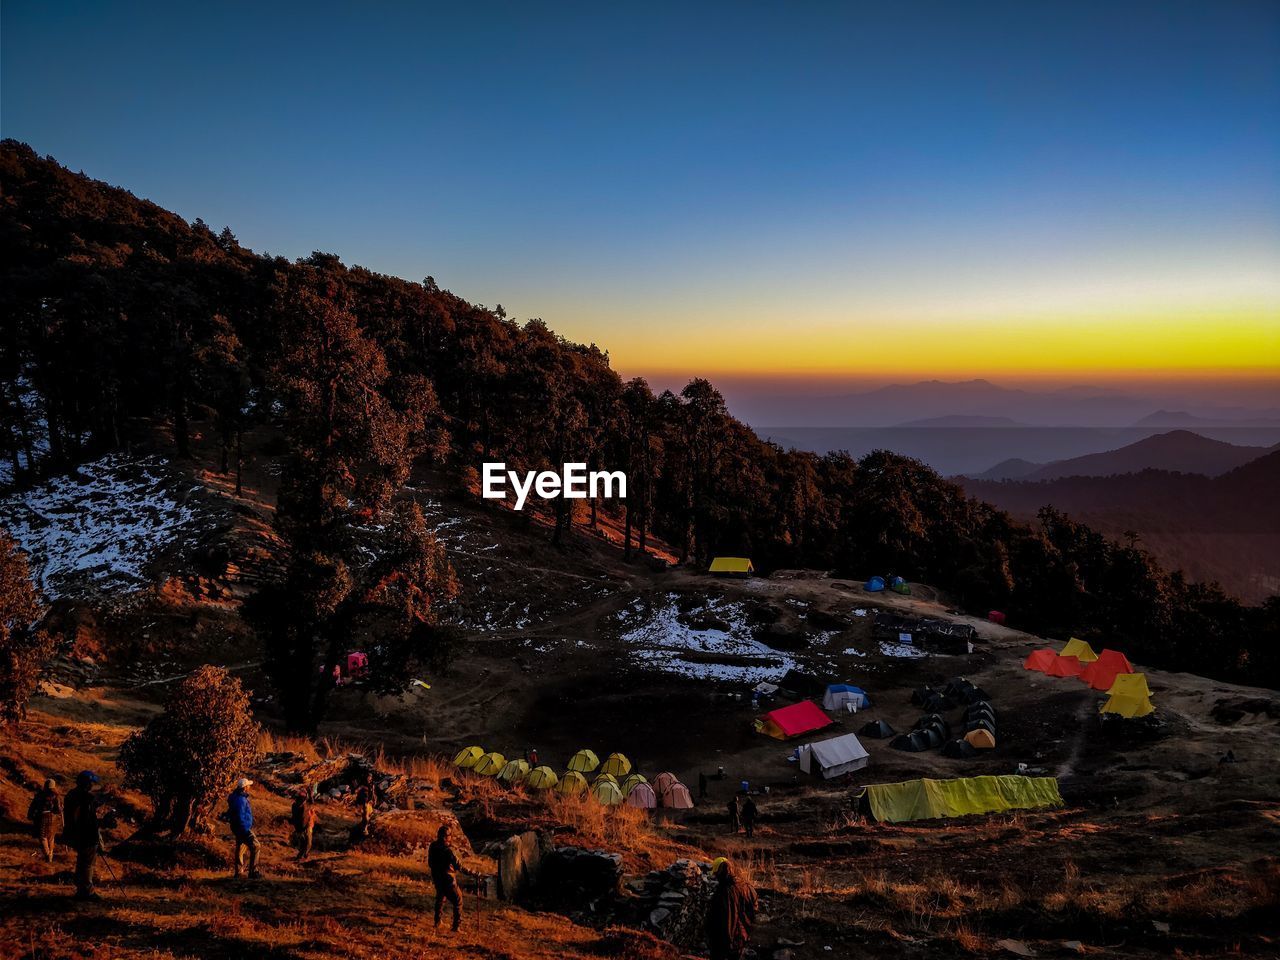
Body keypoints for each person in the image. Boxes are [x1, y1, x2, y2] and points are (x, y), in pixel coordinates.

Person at [707, 858, 758, 960]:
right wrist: (747, 925)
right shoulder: (745, 885)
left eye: (716, 874)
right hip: (742, 937)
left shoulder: (723, 893)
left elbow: (725, 921)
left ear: (720, 873)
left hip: (725, 942)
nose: (715, 877)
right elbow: (755, 907)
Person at [63, 771, 103, 900]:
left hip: (76, 834)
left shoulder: (71, 795)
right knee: (87, 864)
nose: (93, 786)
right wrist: (103, 822)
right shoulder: (85, 798)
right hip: (87, 835)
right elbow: (86, 819)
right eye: (92, 783)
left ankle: (81, 889)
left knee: (82, 862)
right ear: (86, 784)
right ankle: (87, 891)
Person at [428, 824, 466, 931]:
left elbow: (430, 863)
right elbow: (459, 866)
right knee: (458, 901)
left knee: (440, 898)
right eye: (449, 835)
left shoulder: (433, 846)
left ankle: (437, 921)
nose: (451, 837)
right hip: (448, 880)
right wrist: (474, 873)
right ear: (445, 837)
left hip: (437, 878)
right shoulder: (449, 851)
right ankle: (456, 927)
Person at [227, 778, 260, 879]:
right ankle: (253, 872)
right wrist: (245, 828)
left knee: (241, 848)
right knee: (256, 846)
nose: (250, 787)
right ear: (245, 788)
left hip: (237, 827)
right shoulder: (241, 800)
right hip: (242, 828)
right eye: (248, 785)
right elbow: (239, 815)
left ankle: (239, 873)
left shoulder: (236, 797)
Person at [28, 778, 63, 864]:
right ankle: (50, 854)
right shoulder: (56, 796)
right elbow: (58, 810)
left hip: (41, 818)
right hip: (53, 819)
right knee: (51, 838)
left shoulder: (39, 795)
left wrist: (30, 815)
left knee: (43, 837)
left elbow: (33, 806)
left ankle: (48, 855)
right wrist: (61, 810)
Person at [290, 788, 318, 861]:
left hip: (305, 826)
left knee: (307, 843)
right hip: (303, 827)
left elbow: (311, 803)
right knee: (306, 843)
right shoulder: (300, 806)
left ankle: (303, 855)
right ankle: (302, 857)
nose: (304, 800)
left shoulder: (298, 805)